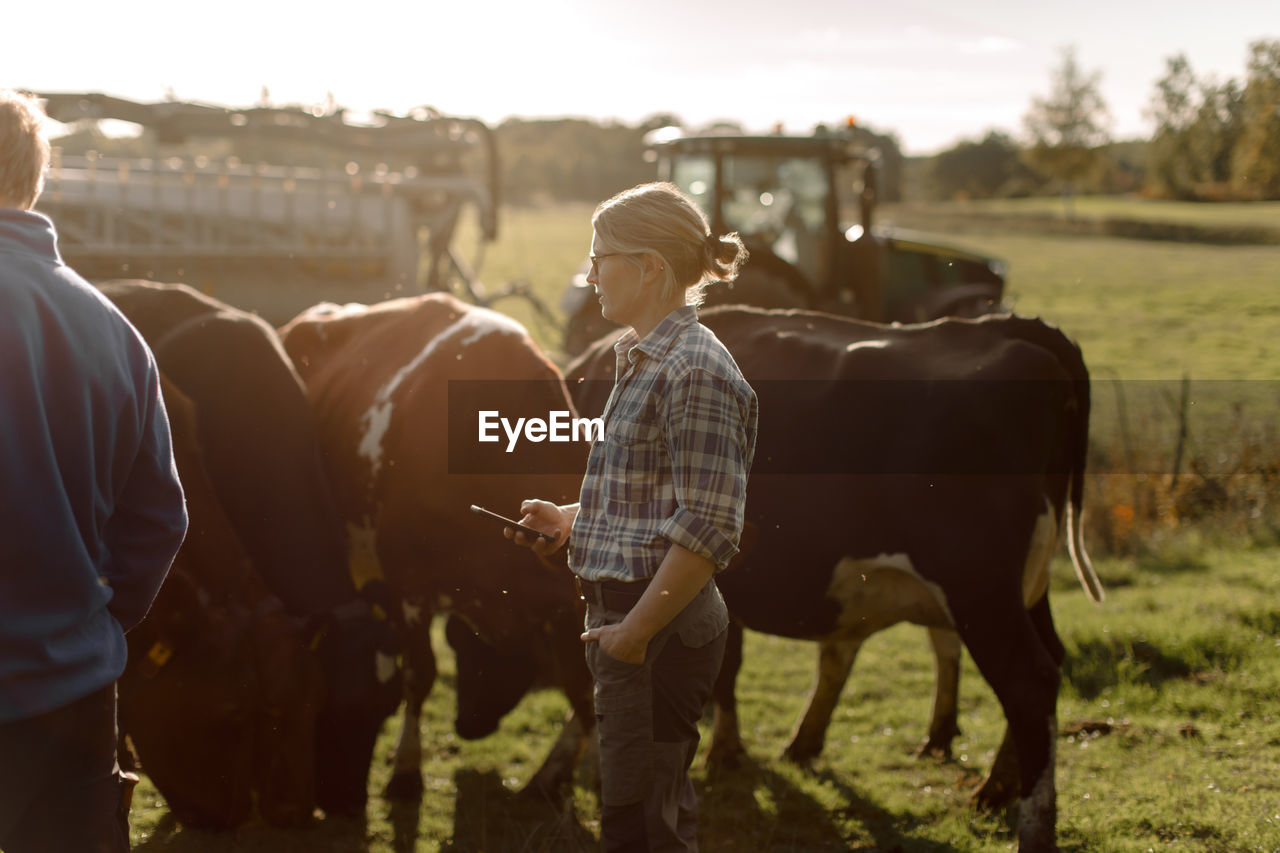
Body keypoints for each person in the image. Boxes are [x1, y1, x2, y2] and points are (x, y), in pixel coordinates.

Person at [509, 182, 757, 852]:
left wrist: (635, 632)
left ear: (649, 266)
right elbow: (653, 498)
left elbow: (707, 525)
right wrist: (570, 519)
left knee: (641, 826)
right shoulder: (646, 356)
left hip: (657, 626)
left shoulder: (694, 370)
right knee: (643, 814)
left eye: (601, 258)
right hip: (640, 619)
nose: (589, 275)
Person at [0, 89, 188, 852]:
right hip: (75, 695)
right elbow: (159, 518)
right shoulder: (115, 331)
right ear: (35, 181)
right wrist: (92, 622)